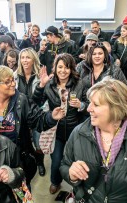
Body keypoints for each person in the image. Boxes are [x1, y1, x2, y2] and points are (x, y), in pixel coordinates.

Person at [0, 65, 65, 185]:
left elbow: (38, 120)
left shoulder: (21, 100)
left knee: (22, 193)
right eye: (7, 82)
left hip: (17, 160)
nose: (13, 84)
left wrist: (51, 117)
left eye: (13, 79)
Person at [32, 53, 88, 194]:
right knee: (56, 161)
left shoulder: (80, 83)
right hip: (55, 131)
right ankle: (55, 182)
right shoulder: (49, 85)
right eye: (60, 67)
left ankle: (80, 186)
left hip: (75, 130)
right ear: (55, 67)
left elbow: (90, 105)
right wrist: (41, 85)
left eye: (67, 67)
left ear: (72, 69)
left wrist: (81, 105)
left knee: (78, 161)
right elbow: (35, 103)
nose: (63, 71)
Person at [14, 48, 45, 176]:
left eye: (28, 57)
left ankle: (40, 163)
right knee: (24, 143)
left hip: (36, 115)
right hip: (19, 117)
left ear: (34, 59)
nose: (25, 60)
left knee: (38, 144)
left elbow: (42, 99)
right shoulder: (14, 76)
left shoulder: (40, 77)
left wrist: (42, 86)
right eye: (22, 57)